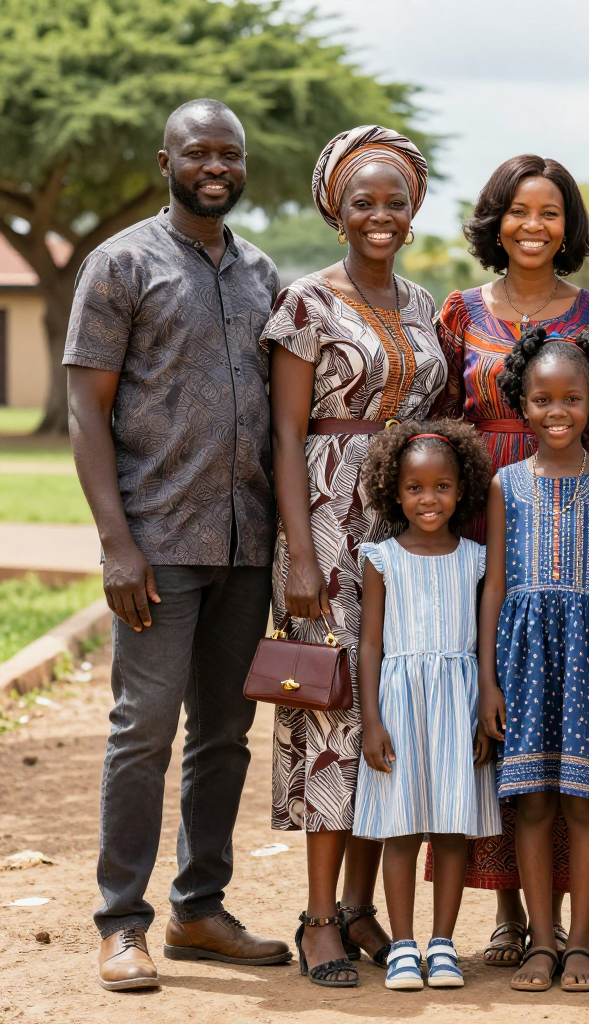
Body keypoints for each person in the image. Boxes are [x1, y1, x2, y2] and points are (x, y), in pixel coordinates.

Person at [64, 99, 290, 991]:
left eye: (229, 153)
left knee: (226, 733)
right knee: (142, 733)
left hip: (245, 543)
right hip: (157, 543)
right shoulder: (119, 262)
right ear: (166, 160)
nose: (217, 165)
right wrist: (116, 544)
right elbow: (85, 409)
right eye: (199, 151)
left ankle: (200, 908)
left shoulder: (262, 272)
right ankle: (122, 922)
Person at [433, 153, 589, 965]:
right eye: (519, 210)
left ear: (569, 226)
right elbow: (443, 422)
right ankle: (509, 917)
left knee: (574, 724)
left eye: (551, 212)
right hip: (489, 513)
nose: (534, 225)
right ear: (496, 220)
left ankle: (571, 928)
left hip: (584, 517)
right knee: (500, 721)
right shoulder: (460, 310)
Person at [263, 125, 453, 987]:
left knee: (394, 703)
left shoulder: (422, 304)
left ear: (414, 214)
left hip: (404, 529)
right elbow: (286, 433)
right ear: (335, 209)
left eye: (396, 201)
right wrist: (301, 555)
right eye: (363, 200)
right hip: (329, 527)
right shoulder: (305, 302)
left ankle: (362, 908)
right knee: (333, 712)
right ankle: (315, 919)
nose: (381, 214)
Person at [478, 327, 589, 993]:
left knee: (584, 804)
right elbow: (493, 583)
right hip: (521, 660)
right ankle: (540, 942)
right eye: (542, 399)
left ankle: (580, 944)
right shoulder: (505, 484)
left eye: (573, 399)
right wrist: (487, 678)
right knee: (533, 804)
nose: (557, 412)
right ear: (521, 402)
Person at [351, 420, 501, 990]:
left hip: (459, 700)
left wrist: (486, 701)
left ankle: (443, 944)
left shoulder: (477, 558)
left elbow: (485, 639)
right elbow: (371, 643)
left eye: (441, 487)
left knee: (451, 829)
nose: (428, 498)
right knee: (401, 829)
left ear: (462, 490)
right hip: (399, 703)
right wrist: (370, 721)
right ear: (395, 491)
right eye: (415, 488)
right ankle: (403, 946)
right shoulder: (383, 557)